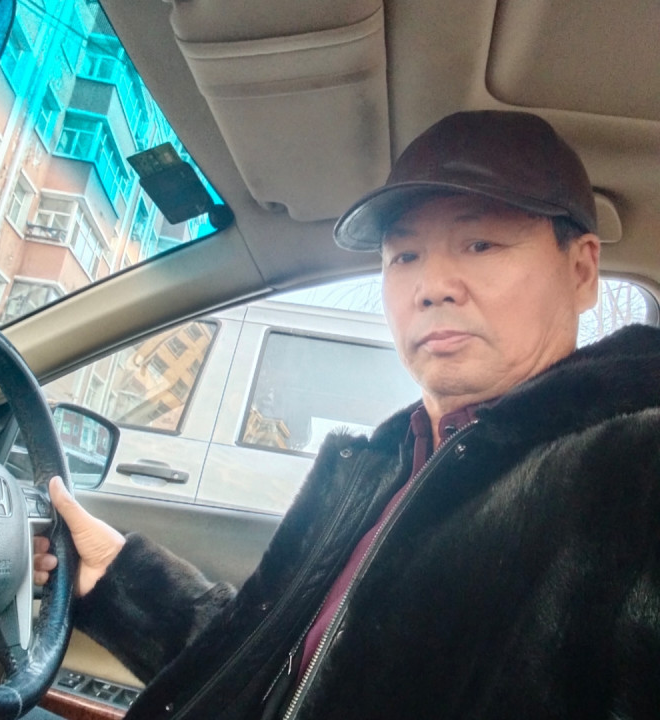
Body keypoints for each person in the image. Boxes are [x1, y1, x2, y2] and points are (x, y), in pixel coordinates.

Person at [33, 110, 660, 720]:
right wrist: (116, 577)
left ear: (582, 271)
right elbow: (276, 673)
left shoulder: (633, 475)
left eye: (480, 243)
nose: (432, 286)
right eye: (404, 256)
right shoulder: (377, 465)